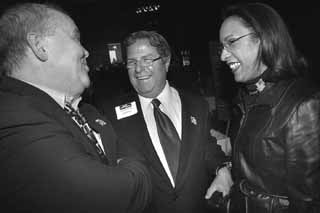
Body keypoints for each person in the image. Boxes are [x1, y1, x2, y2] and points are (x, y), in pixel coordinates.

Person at [0, 3, 151, 212]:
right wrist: (136, 168)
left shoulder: (87, 112)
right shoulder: (12, 116)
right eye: (75, 38)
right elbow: (115, 196)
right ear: (39, 46)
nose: (86, 51)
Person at [96, 30, 233, 213]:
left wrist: (222, 169)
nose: (138, 69)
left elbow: (205, 146)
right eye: (132, 62)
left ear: (166, 62)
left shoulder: (196, 106)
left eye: (147, 60)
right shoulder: (111, 114)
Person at [216, 2, 320, 212]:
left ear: (263, 38)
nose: (223, 56)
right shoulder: (247, 98)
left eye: (232, 42)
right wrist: (225, 172)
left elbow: (309, 203)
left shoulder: (303, 104)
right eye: (222, 47)